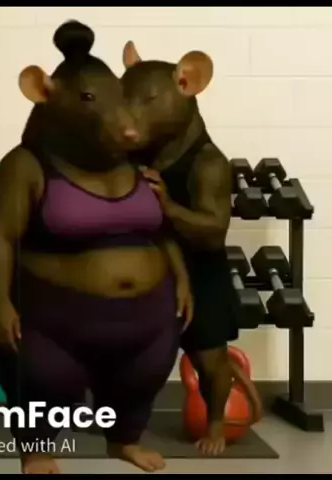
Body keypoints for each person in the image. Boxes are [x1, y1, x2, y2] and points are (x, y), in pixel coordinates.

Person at [0, 21, 193, 474]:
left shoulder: (138, 167)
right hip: (53, 318)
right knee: (46, 381)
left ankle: (125, 441)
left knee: (142, 376)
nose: (124, 124)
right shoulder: (28, 166)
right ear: (42, 93)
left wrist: (182, 278)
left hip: (147, 316)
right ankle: (37, 448)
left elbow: (159, 229)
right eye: (94, 100)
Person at [120, 41, 263, 456]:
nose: (131, 118)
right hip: (154, 269)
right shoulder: (140, 153)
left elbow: (214, 232)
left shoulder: (209, 163)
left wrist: (168, 206)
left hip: (202, 274)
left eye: (147, 103)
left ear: (188, 83)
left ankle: (216, 422)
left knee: (209, 360)